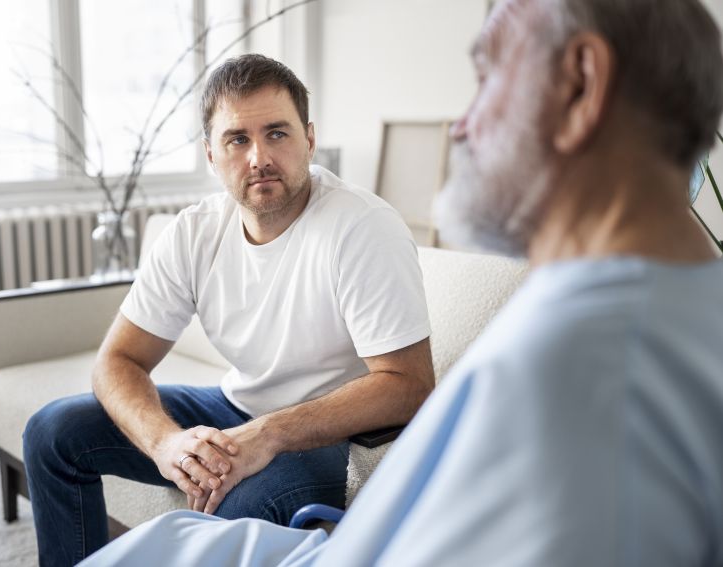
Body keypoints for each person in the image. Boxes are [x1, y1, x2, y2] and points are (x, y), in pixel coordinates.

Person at [77, 0, 723, 565]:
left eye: (487, 78)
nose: (461, 126)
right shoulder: (623, 312)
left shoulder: (586, 365)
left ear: (583, 84)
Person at [22, 54, 435, 566]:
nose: (259, 156)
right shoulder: (194, 232)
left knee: (230, 514)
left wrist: (269, 433)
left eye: (277, 133)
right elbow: (117, 361)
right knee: (52, 431)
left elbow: (408, 384)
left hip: (333, 433)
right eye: (238, 139)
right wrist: (167, 444)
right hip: (233, 408)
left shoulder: (362, 227)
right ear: (211, 155)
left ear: (309, 138)